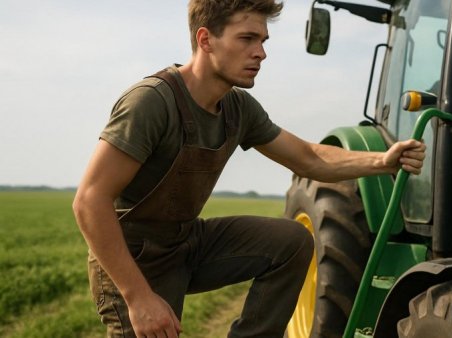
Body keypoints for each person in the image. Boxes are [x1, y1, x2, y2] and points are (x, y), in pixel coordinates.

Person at [72, 1, 426, 337]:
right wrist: (138, 297)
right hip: (134, 259)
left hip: (185, 242)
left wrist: (382, 160)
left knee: (290, 242)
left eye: (262, 40)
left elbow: (308, 158)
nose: (260, 52)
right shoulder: (152, 102)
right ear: (206, 39)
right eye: (247, 39)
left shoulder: (238, 107)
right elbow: (89, 200)